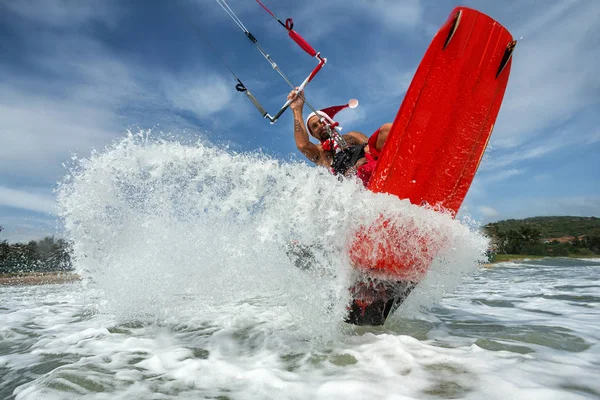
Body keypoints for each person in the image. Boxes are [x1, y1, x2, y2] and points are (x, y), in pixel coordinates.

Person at [288, 89, 391, 186]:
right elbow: (303, 145)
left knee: (386, 129)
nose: (320, 126)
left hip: (373, 163)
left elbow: (372, 147)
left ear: (330, 122)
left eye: (321, 121)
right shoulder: (319, 152)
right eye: (314, 126)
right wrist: (297, 109)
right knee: (358, 170)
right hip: (355, 179)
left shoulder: (353, 135)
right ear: (313, 135)